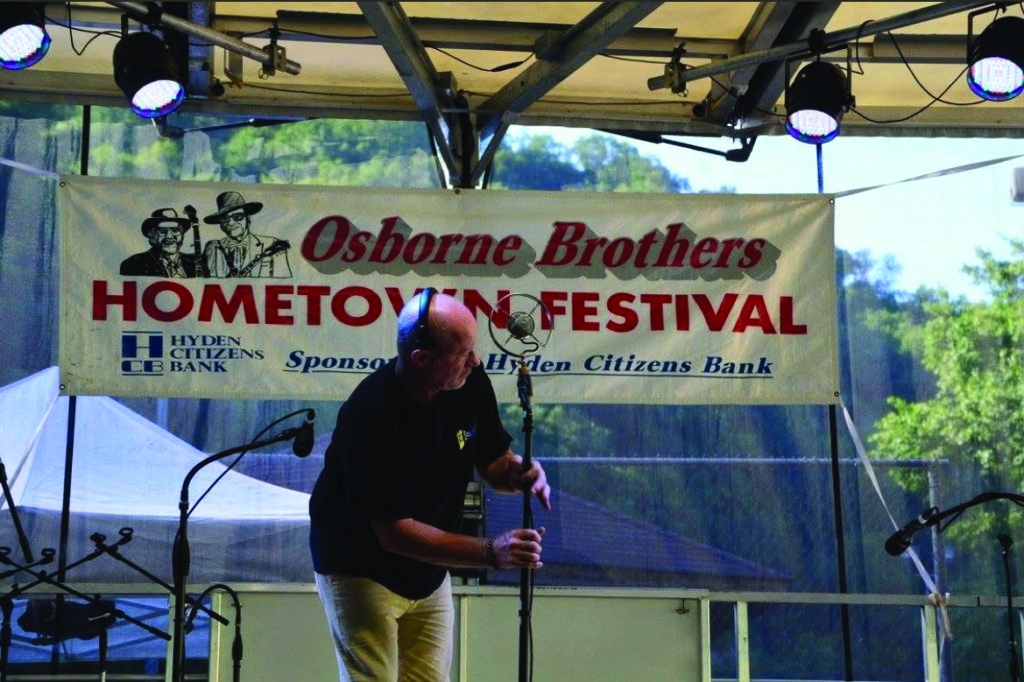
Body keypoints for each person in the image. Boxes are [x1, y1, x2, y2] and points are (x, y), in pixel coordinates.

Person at [309, 288, 551, 681]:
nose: (476, 360)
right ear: (422, 360)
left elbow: (492, 460)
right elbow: (395, 534)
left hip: (428, 569)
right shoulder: (370, 416)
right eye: (462, 353)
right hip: (359, 566)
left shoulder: (467, 381)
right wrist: (492, 552)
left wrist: (517, 474)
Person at [202, 191, 292, 277]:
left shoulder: (272, 244)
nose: (230, 223)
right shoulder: (212, 248)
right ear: (220, 223)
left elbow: (284, 283)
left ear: (247, 218)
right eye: (225, 218)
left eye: (237, 216)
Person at [120, 208, 198, 278]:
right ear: (152, 236)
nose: (169, 236)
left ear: (182, 235)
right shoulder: (134, 265)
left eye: (175, 231)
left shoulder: (194, 262)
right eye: (162, 231)